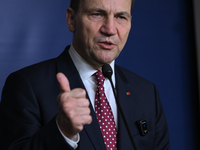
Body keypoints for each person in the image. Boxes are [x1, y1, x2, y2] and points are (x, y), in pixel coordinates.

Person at [0, 0, 170, 149]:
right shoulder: (27, 85)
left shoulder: (147, 94)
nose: (110, 29)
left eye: (121, 17)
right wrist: (62, 131)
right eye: (97, 14)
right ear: (71, 19)